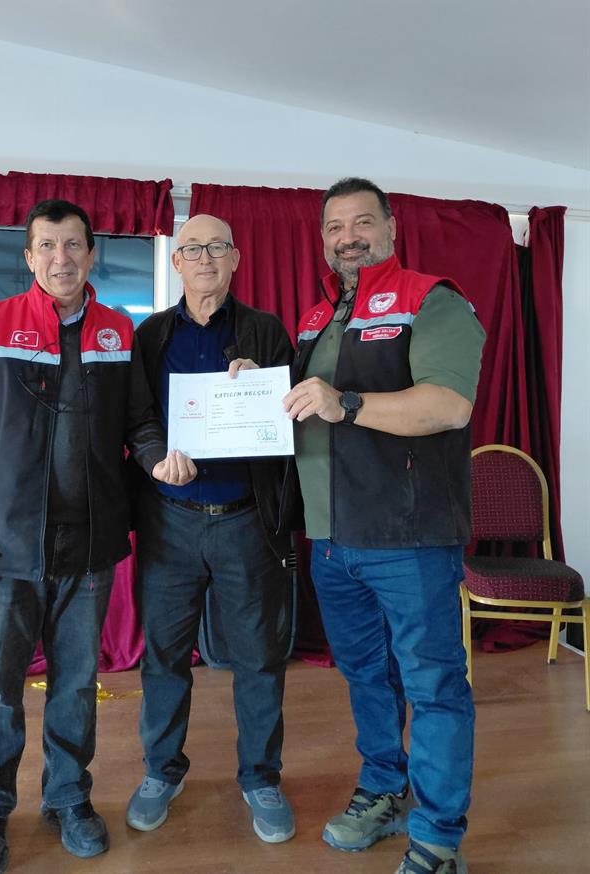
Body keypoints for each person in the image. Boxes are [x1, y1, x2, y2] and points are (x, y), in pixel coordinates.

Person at [0, 199, 195, 874]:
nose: (61, 258)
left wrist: (158, 457)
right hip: (6, 546)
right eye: (47, 246)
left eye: (73, 245)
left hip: (89, 548)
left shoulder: (117, 330)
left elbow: (139, 424)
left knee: (77, 685)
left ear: (91, 254)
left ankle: (69, 798)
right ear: (29, 257)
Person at [284, 177, 485, 874]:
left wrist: (346, 402)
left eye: (363, 222)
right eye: (335, 227)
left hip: (410, 538)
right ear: (323, 239)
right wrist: (252, 384)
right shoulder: (316, 317)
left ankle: (438, 839)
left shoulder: (432, 299)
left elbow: (448, 405)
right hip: (331, 539)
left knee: (433, 686)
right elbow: (301, 408)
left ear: (392, 229)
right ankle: (383, 790)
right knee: (367, 677)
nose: (349, 238)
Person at [126, 213, 301, 845]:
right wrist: (155, 458)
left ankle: (261, 777)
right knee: (165, 657)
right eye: (193, 248)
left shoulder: (266, 330)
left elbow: (294, 416)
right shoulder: (150, 334)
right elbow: (137, 419)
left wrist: (264, 390)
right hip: (169, 523)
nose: (205, 257)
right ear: (176, 262)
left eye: (217, 247)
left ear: (235, 259)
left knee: (259, 658)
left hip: (246, 522)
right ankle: (161, 770)